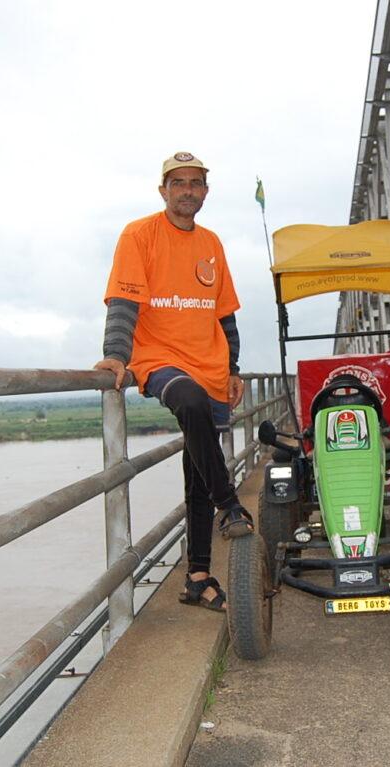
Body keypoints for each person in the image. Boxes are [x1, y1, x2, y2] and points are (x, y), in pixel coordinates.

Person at [94, 151, 253, 613]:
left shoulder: (212, 243)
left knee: (197, 472)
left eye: (196, 183)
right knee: (188, 401)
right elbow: (123, 302)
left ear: (205, 191)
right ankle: (231, 503)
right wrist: (116, 355)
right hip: (159, 358)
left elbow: (225, 314)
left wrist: (234, 369)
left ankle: (198, 578)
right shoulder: (139, 234)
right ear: (163, 190)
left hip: (211, 365)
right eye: (178, 182)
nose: (187, 190)